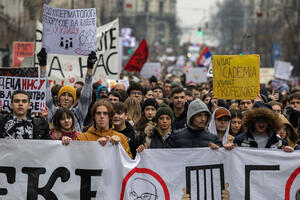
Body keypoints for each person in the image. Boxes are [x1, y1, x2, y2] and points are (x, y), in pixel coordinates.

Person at [38, 48, 96, 132]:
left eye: (69, 96)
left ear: (74, 101)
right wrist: (42, 66)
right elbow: (45, 91)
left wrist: (90, 68)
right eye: (63, 95)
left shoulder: (78, 113)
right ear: (58, 98)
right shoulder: (53, 111)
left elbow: (85, 97)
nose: (66, 98)